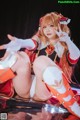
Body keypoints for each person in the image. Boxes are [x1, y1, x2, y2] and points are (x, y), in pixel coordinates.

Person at [0, 12, 80, 117]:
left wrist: (68, 41)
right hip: (24, 88)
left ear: (60, 26)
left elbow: (75, 56)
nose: (47, 29)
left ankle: (74, 106)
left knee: (41, 60)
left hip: (42, 92)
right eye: (44, 27)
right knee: (20, 56)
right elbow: (32, 43)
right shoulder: (39, 41)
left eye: (51, 26)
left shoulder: (64, 48)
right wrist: (21, 42)